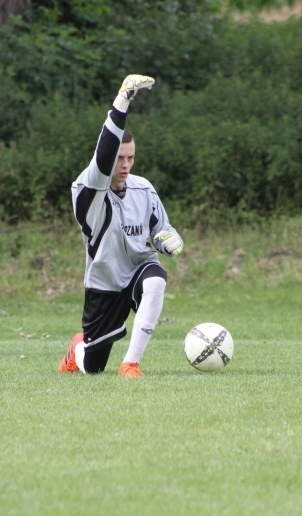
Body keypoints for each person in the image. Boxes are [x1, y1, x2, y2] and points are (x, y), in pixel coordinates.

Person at [58, 74, 184, 378]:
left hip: (138, 269)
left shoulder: (143, 189)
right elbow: (103, 156)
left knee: (155, 279)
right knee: (93, 366)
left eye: (131, 158)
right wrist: (122, 101)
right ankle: (78, 349)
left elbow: (160, 229)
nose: (125, 165)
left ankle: (130, 364)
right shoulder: (88, 191)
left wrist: (169, 239)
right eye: (120, 158)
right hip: (105, 283)